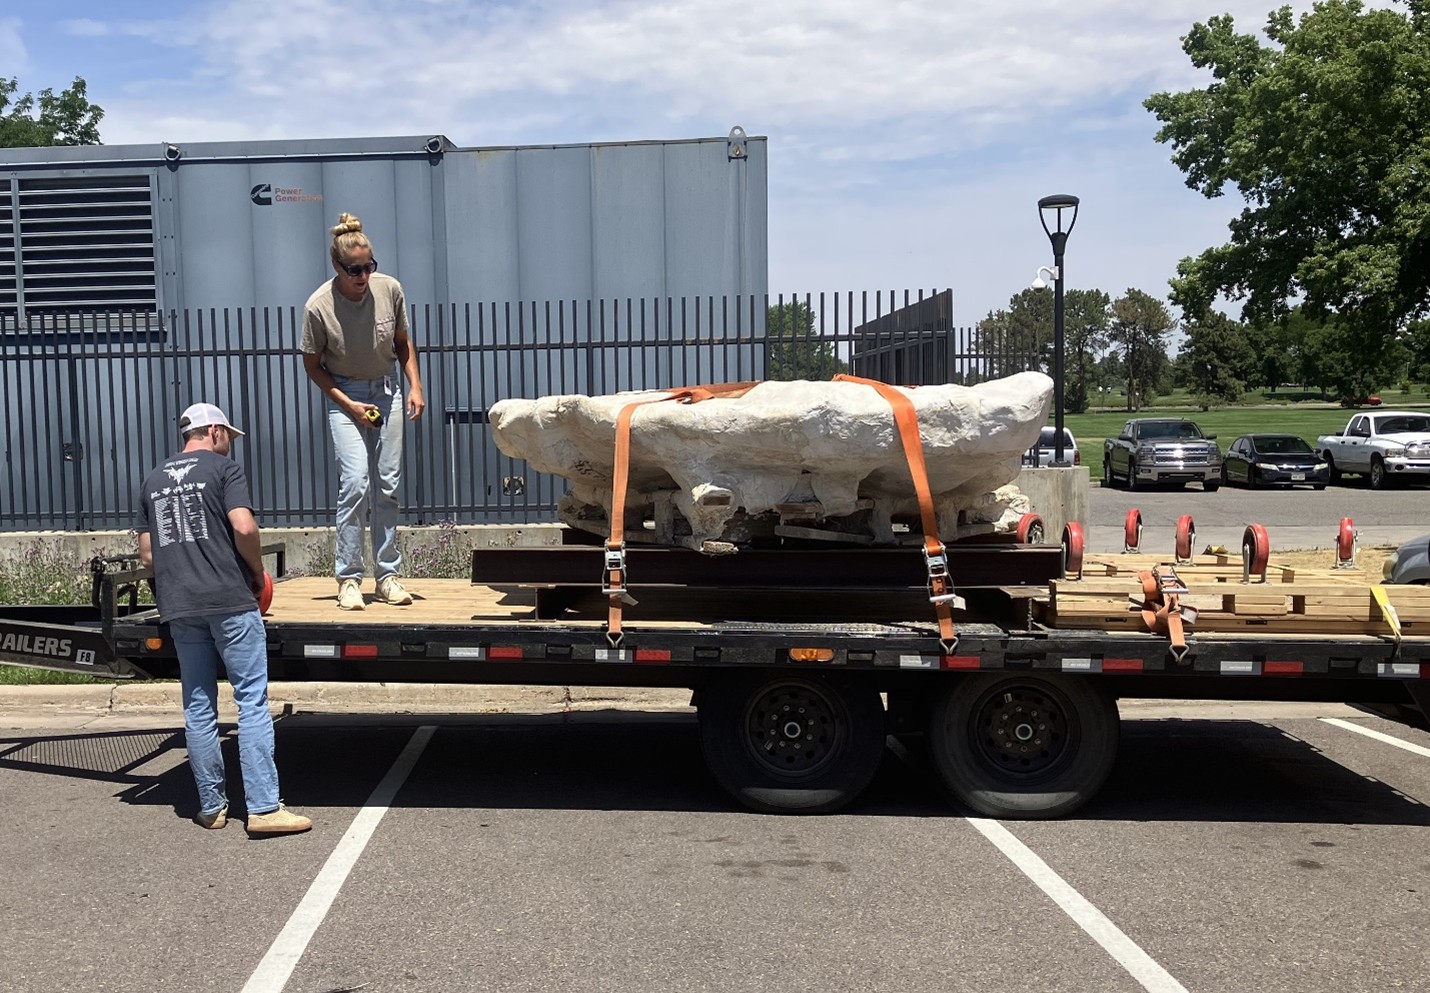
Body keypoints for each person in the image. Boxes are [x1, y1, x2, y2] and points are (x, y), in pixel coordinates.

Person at [136, 402, 312, 836]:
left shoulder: (152, 480)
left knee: (198, 705)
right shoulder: (221, 470)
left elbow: (146, 556)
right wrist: (256, 571)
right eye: (228, 436)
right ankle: (265, 809)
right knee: (250, 701)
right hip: (229, 601)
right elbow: (245, 528)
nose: (230, 445)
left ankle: (212, 807)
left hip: (181, 606)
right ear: (213, 431)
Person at [301, 212, 426, 610]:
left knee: (388, 485)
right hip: (345, 394)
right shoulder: (318, 306)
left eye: (369, 266)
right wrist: (349, 404)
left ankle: (387, 576)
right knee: (355, 483)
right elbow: (312, 365)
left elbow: (403, 342)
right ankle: (349, 579)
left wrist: (415, 386)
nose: (362, 276)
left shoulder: (390, 289)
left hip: (387, 389)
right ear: (337, 267)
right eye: (354, 269)